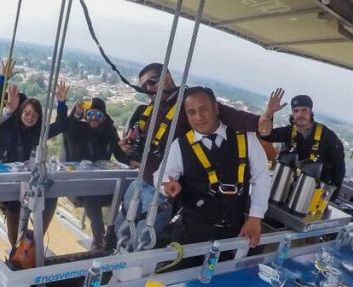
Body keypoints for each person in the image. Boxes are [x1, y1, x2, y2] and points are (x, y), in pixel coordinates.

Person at [116, 63, 273, 247]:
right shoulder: (154, 108)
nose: (148, 89)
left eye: (152, 82)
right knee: (121, 226)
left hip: (160, 193)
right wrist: (130, 149)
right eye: (144, 86)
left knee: (143, 239)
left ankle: (128, 271)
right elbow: (152, 150)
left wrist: (260, 122)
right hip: (144, 179)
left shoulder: (191, 101)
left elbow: (231, 116)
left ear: (166, 77)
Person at [159, 87, 271, 247]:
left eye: (204, 109)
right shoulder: (180, 145)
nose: (199, 117)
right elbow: (161, 176)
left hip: (236, 232)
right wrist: (167, 186)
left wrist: (255, 217)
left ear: (216, 108)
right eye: (192, 112)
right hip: (192, 233)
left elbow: (261, 177)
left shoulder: (246, 138)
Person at [0, 59, 69, 246]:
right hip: (9, 182)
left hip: (28, 181)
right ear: (21, 112)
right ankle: (16, 247)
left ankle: (35, 240)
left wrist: (61, 103)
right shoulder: (7, 126)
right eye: (27, 113)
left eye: (35, 115)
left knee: (50, 196)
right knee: (16, 221)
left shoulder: (38, 132)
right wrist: (2, 80)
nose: (30, 117)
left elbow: (61, 125)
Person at [63, 97, 130, 250]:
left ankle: (113, 233)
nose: (94, 118)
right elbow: (68, 128)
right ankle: (99, 238)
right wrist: (76, 114)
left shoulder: (109, 131)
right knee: (91, 194)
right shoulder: (77, 128)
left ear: (104, 117)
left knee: (124, 192)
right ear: (85, 115)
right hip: (78, 183)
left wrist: (131, 162)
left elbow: (119, 152)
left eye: (98, 115)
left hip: (100, 181)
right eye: (90, 114)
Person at [258, 89, 347, 200]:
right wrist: (269, 113)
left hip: (312, 194)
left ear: (311, 112)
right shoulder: (289, 132)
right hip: (284, 189)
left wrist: (330, 198)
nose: (300, 114)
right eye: (296, 111)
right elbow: (266, 135)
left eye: (304, 110)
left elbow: (339, 169)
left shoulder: (328, 137)